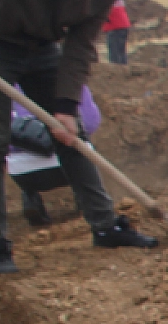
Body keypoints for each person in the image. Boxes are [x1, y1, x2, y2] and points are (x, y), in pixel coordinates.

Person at [0, 0, 162, 275]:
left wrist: (66, 106)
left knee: (72, 137)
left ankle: (104, 226)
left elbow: (81, 46)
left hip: (42, 49)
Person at [6, 86, 102, 227]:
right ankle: (84, 199)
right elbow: (91, 121)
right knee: (83, 154)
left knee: (16, 151)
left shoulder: (4, 81)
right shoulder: (67, 81)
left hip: (22, 172)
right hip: (68, 162)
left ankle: (30, 197)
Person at [103, 0, 131, 65]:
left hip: (115, 26)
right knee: (121, 52)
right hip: (123, 25)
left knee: (114, 54)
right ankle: (123, 72)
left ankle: (117, 73)